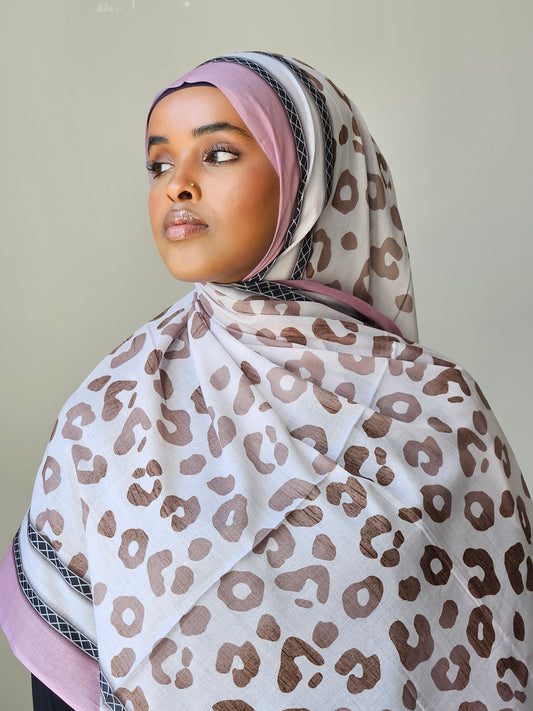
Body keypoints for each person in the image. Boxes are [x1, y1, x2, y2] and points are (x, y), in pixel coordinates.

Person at [0, 51, 531, 711]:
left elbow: (490, 649)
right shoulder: (111, 408)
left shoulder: (441, 413)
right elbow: (64, 667)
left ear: (308, 182)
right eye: (159, 164)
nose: (177, 185)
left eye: (217, 154)